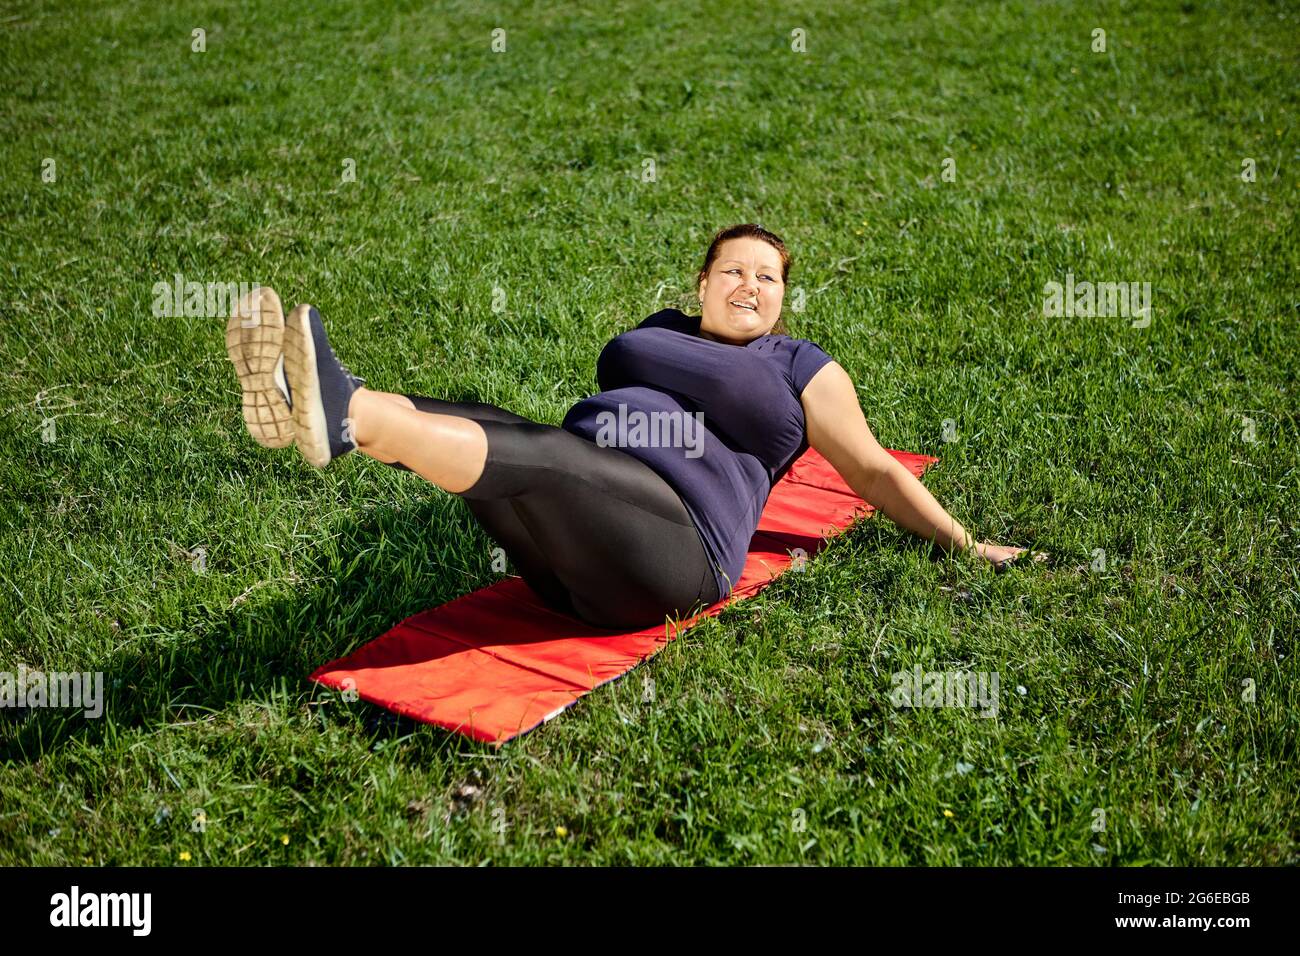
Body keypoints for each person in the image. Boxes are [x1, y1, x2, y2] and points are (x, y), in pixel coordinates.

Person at [225, 223, 1044, 631]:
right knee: (482, 419)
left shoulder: (799, 366)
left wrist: (962, 543)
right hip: (579, 543)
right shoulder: (663, 328)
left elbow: (870, 471)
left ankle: (340, 412)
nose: (750, 284)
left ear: (784, 297)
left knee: (539, 455)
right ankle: (314, 400)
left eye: (768, 275)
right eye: (733, 269)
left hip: (677, 545)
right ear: (702, 281)